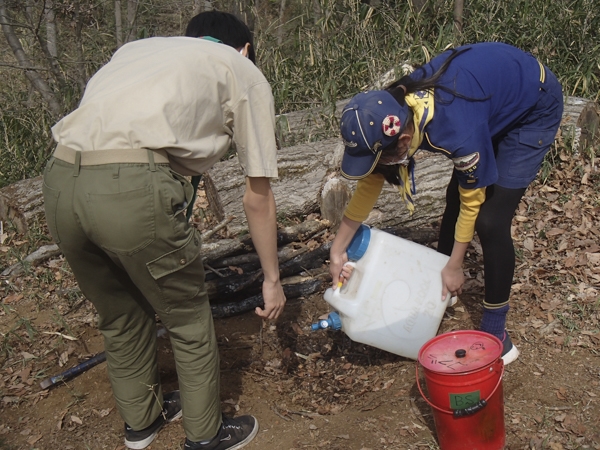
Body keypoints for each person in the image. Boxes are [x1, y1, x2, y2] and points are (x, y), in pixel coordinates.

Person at [42, 11, 286, 450]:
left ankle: (142, 423)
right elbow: (257, 194)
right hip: (130, 191)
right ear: (246, 49)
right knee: (187, 318)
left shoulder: (137, 50)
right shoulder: (241, 69)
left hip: (59, 182)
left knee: (120, 314)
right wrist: (271, 279)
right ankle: (205, 436)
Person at [331, 42, 563, 365]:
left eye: (380, 158)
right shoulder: (393, 108)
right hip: (490, 102)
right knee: (452, 197)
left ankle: (498, 334)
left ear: (401, 142)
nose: (378, 167)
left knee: (490, 221)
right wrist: (337, 247)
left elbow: (473, 200)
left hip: (533, 106)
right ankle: (437, 289)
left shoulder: (455, 128)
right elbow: (373, 179)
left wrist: (455, 266)